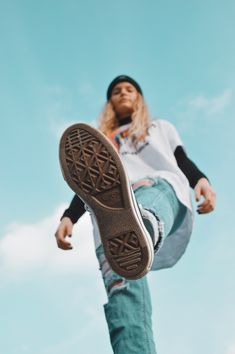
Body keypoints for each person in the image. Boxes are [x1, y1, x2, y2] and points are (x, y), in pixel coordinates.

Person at [55, 75, 216, 353]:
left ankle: (144, 224)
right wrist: (69, 216)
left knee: (153, 193)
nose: (123, 93)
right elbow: (85, 181)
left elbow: (180, 159)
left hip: (161, 190)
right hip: (110, 233)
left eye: (129, 89)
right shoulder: (102, 140)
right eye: (116, 91)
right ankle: (129, 229)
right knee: (124, 309)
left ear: (139, 98)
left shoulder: (159, 127)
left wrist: (201, 179)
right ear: (110, 103)